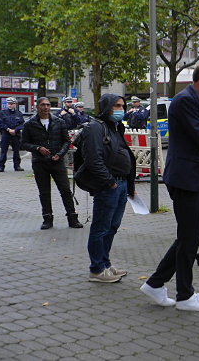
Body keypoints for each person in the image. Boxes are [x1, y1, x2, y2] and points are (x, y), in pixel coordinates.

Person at [140, 63, 199, 310]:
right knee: (190, 236)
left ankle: (157, 284)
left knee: (189, 235)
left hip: (190, 176)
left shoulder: (194, 100)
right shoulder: (185, 101)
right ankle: (183, 294)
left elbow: (198, 141)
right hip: (185, 178)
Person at [74, 94, 136, 283]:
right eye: (116, 106)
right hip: (109, 186)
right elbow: (94, 159)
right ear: (106, 107)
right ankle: (97, 269)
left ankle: (105, 264)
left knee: (112, 227)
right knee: (101, 228)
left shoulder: (115, 127)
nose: (121, 110)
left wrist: (129, 185)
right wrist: (110, 182)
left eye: (122, 106)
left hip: (121, 184)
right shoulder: (95, 128)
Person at [21, 97, 83, 230]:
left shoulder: (58, 121)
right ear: (38, 107)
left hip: (57, 161)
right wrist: (37, 148)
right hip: (39, 162)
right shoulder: (30, 123)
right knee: (44, 192)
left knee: (65, 190)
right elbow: (24, 143)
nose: (46, 107)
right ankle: (47, 218)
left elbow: (67, 141)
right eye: (43, 105)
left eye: (48, 105)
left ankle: (72, 218)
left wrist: (60, 154)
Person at [0, 97, 25, 172]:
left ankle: (17, 166)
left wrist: (15, 130)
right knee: (3, 151)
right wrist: (8, 129)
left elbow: (22, 124)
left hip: (15, 135)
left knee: (16, 151)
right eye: (8, 104)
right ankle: (1, 167)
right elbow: (0, 123)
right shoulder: (2, 113)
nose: (9, 105)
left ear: (15, 104)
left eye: (11, 104)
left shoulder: (19, 113)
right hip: (5, 134)